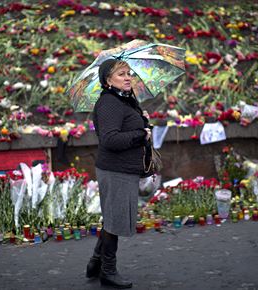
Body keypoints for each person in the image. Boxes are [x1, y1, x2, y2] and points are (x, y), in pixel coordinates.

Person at [86, 59, 151, 289]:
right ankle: (108, 271)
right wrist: (140, 135)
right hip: (115, 170)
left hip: (122, 169)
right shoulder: (109, 103)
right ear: (107, 80)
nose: (127, 77)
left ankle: (96, 262)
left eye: (129, 73)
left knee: (113, 217)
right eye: (121, 74)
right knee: (115, 221)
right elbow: (110, 139)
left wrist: (142, 122)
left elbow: (129, 127)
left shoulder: (124, 100)